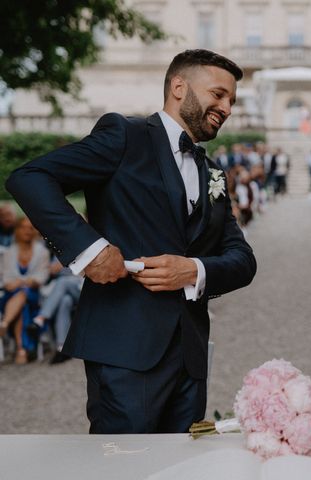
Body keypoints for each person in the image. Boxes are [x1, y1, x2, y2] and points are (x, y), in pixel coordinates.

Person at [6, 49, 257, 433]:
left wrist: (194, 269)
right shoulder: (125, 136)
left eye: (232, 101)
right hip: (124, 346)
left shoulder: (214, 173)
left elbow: (242, 260)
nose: (226, 107)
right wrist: (91, 250)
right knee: (122, 465)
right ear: (178, 87)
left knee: (180, 467)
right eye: (219, 94)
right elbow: (31, 178)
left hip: (190, 357)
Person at [0, 217, 50, 364]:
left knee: (24, 294)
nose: (27, 231)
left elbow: (42, 277)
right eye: (23, 227)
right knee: (23, 303)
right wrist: (25, 281)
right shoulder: (9, 253)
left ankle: (4, 324)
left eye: (31, 228)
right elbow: (7, 281)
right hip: (10, 297)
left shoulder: (42, 252)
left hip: (35, 296)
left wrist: (22, 282)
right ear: (17, 230)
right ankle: (23, 350)